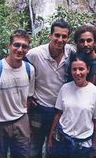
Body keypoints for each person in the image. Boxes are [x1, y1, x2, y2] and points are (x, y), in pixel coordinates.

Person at [26, 20, 74, 158]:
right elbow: (21, 72)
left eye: (64, 36)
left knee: (53, 149)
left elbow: (87, 57)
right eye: (57, 35)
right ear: (50, 35)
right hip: (39, 109)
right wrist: (27, 95)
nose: (60, 40)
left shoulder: (70, 52)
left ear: (68, 38)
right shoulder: (34, 54)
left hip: (59, 111)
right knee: (34, 147)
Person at [47, 53, 96, 158]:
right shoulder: (65, 88)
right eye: (74, 69)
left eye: (81, 69)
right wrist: (51, 137)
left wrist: (94, 145)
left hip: (82, 145)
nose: (77, 73)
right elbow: (58, 114)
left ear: (88, 69)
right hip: (62, 141)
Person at [0, 30, 35, 158]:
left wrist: (27, 122)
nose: (20, 49)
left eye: (24, 46)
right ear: (9, 46)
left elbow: (28, 98)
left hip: (21, 121)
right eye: (16, 45)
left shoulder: (29, 69)